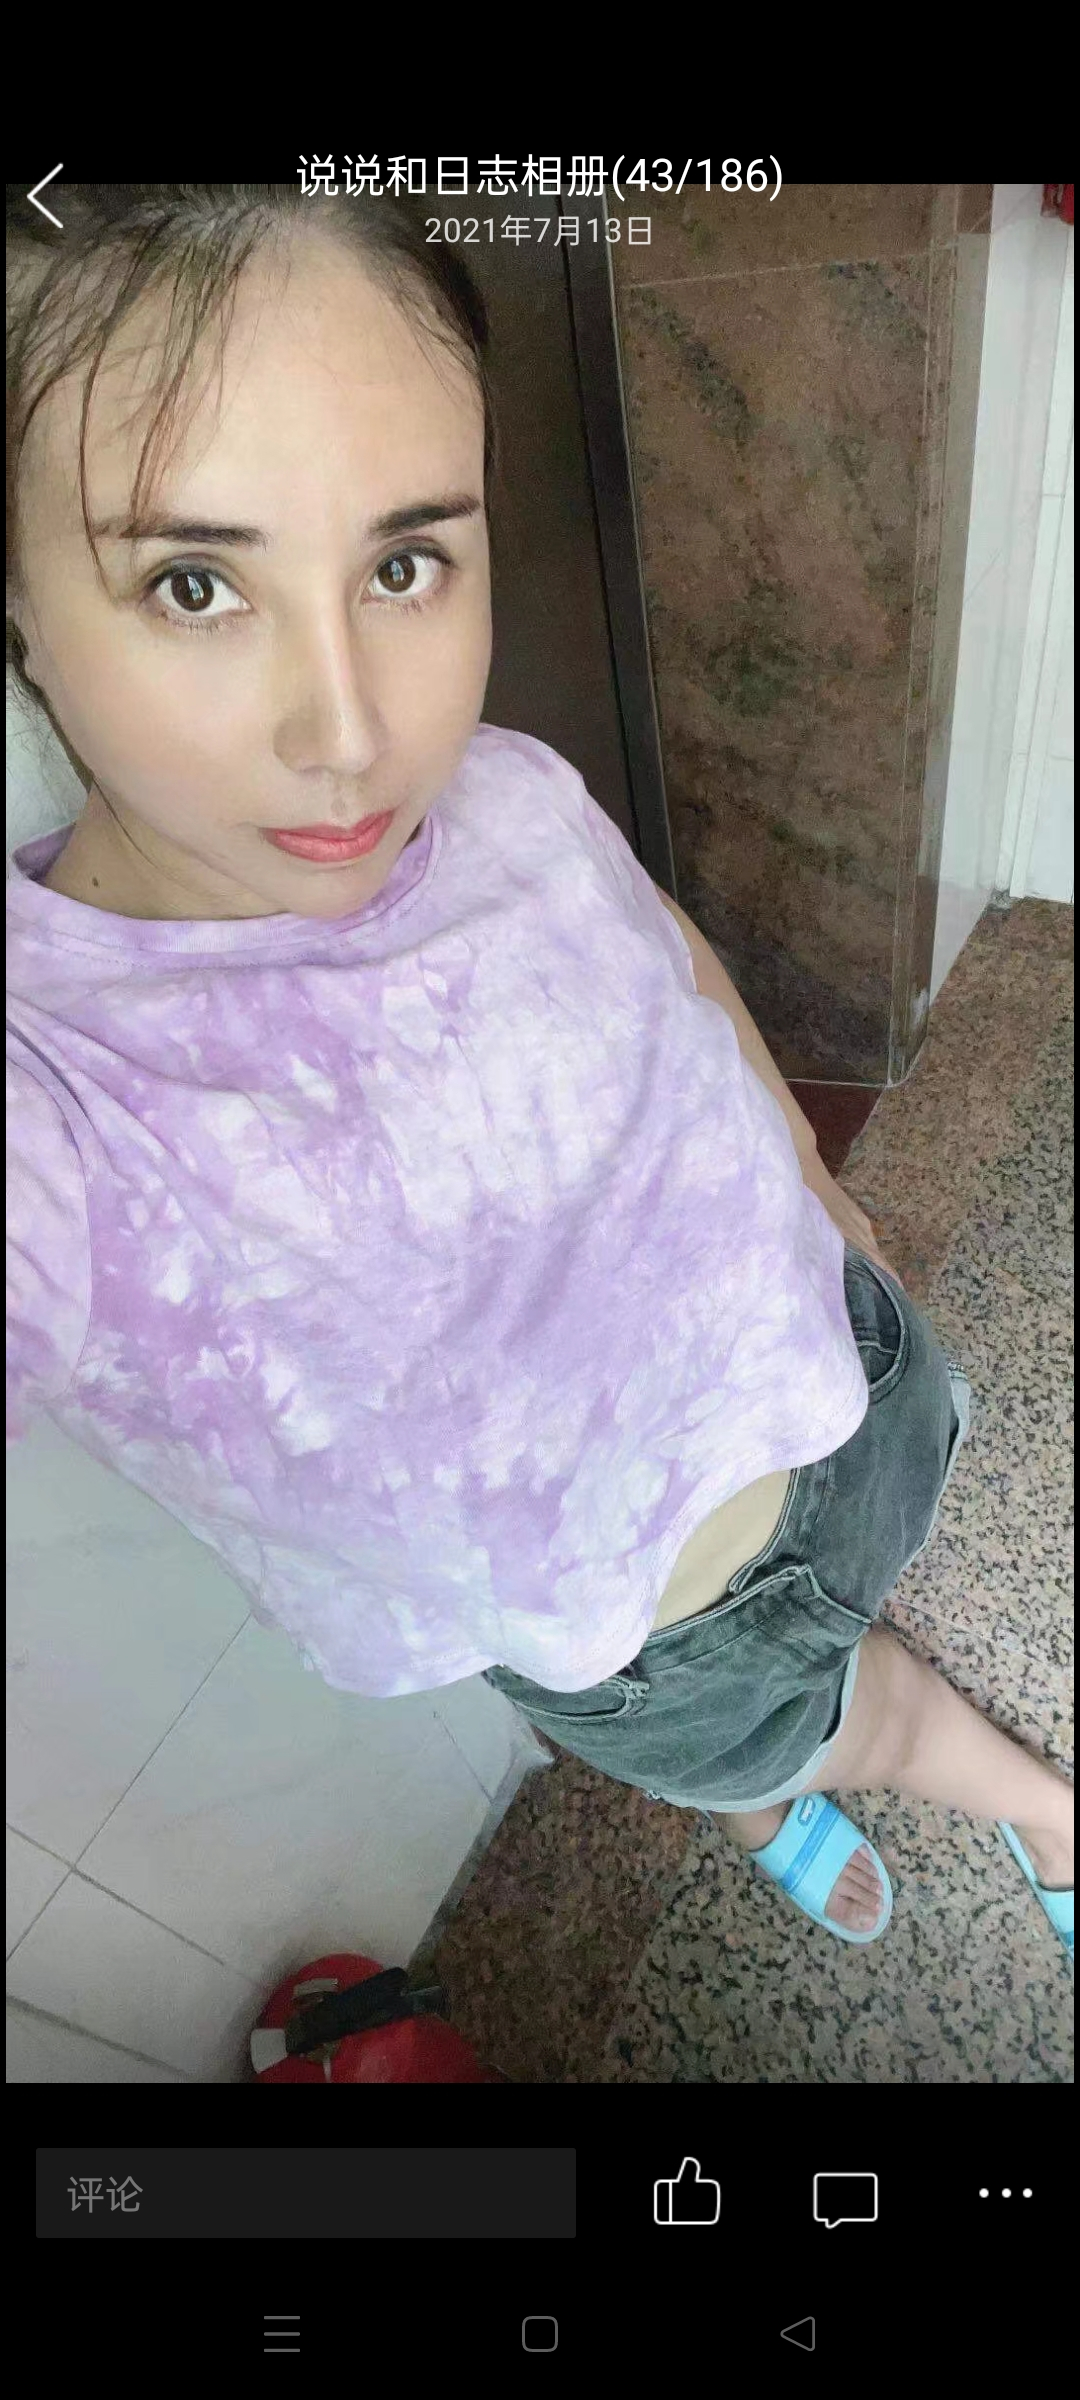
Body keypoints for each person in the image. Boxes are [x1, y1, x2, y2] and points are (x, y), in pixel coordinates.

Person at [6, 183, 1072, 1962]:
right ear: (21, 608)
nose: (350, 731)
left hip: (845, 1381)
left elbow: (666, 958)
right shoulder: (58, 1096)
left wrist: (815, 1180)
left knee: (832, 1665)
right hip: (639, 1640)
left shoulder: (503, 788)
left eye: (403, 564)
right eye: (195, 584)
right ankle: (1006, 1803)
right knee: (808, 1734)